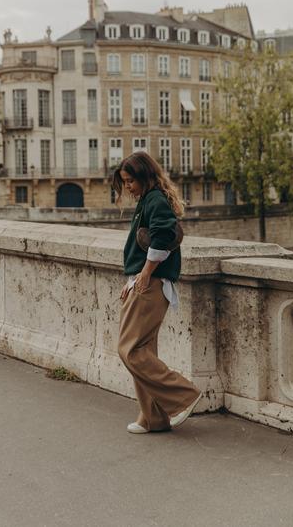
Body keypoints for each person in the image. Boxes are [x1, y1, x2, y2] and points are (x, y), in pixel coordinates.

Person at [112, 151, 202, 434]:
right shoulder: (149, 200)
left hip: (151, 283)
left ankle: (183, 395)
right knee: (143, 349)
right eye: (124, 182)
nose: (127, 187)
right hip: (144, 280)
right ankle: (154, 418)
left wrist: (146, 273)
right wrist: (135, 278)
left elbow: (164, 236)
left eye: (130, 181)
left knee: (130, 350)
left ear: (144, 176)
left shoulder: (154, 201)